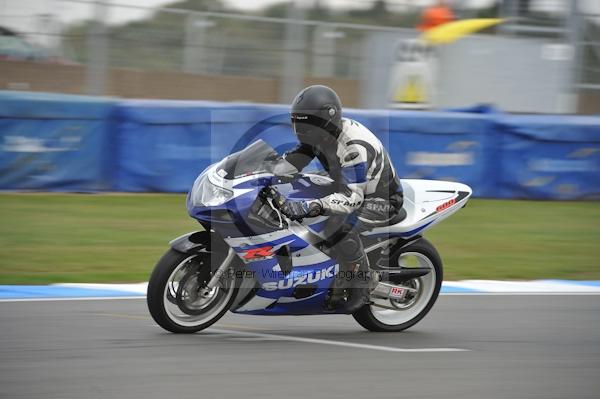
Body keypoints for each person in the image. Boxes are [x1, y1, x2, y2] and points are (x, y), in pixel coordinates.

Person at [273, 85, 404, 313]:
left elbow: (351, 198)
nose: (301, 130)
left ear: (325, 121)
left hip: (379, 198)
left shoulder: (354, 147)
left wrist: (311, 206)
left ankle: (361, 284)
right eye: (298, 123)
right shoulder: (321, 136)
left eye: (306, 124)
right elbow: (293, 161)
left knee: (338, 224)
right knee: (297, 189)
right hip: (347, 184)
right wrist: (262, 172)